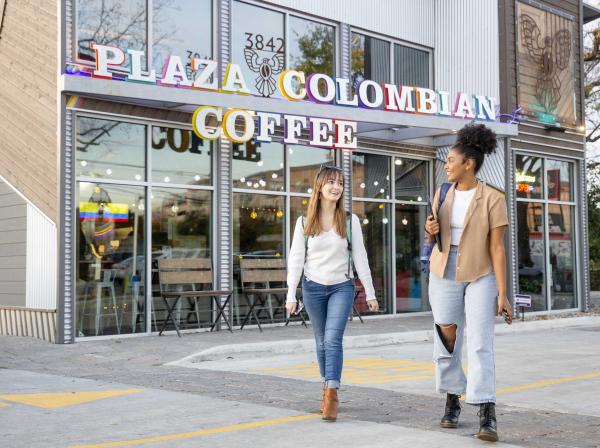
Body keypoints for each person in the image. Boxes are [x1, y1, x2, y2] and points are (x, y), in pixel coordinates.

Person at [424, 123, 511, 442]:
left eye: (450, 160)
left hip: (481, 273)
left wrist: (503, 293)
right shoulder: (442, 192)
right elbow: (432, 236)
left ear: (468, 164)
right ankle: (452, 397)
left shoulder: (493, 198)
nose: (446, 165)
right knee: (446, 339)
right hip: (443, 270)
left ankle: (486, 409)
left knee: (479, 341)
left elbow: (497, 247)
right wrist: (430, 230)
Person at [286, 164, 379, 422]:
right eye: (331, 182)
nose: (336, 187)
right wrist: (291, 295)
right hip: (313, 287)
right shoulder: (304, 222)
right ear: (320, 186)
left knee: (332, 340)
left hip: (342, 286)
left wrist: (369, 292)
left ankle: (331, 394)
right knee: (320, 341)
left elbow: (361, 258)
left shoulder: (350, 221)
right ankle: (326, 384)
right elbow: (296, 259)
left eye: (340, 182)